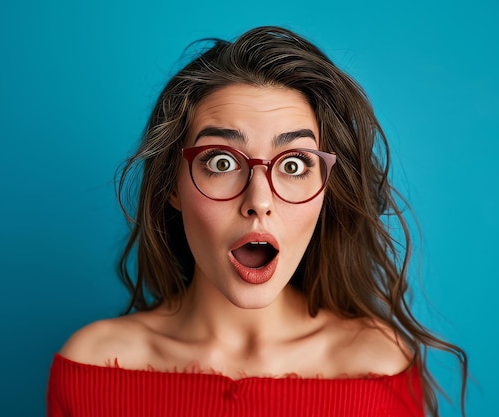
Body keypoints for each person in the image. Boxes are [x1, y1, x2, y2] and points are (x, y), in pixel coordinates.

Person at [47, 26, 467, 417]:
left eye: (295, 164)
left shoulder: (375, 369)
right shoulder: (92, 367)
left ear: (326, 191)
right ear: (171, 186)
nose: (259, 201)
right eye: (222, 161)